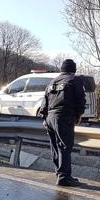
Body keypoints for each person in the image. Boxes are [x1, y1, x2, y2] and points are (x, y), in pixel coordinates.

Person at [39, 59, 86, 187]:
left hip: (49, 117)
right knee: (65, 147)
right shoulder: (74, 80)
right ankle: (64, 177)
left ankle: (60, 174)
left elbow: (44, 101)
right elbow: (80, 99)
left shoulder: (52, 82)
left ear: (62, 69)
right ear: (73, 69)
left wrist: (44, 117)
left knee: (55, 147)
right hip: (63, 117)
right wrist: (79, 115)